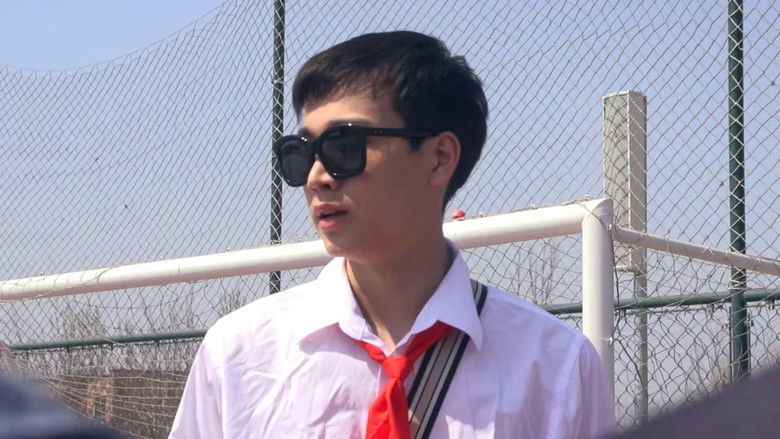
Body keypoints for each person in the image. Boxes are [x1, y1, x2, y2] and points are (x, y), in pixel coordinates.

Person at [170, 31, 614, 438]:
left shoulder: (555, 366)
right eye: (301, 153)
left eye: (344, 146)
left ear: (439, 158)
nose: (317, 177)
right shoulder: (239, 355)